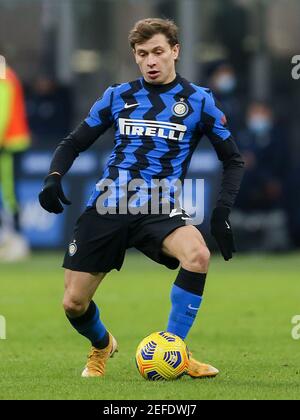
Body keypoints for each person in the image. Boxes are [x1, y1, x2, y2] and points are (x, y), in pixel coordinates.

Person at [39, 18, 244, 378]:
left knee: (197, 255)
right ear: (135, 56)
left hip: (159, 206)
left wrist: (221, 210)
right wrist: (54, 176)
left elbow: (232, 159)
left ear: (175, 52)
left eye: (158, 52)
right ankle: (102, 345)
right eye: (142, 54)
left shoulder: (199, 100)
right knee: (73, 303)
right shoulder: (118, 96)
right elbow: (74, 142)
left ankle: (175, 352)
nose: (151, 60)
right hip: (110, 203)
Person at [0, 61, 31, 261]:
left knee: (9, 192)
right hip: (9, 142)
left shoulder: (4, 76)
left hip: (8, 144)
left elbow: (2, 112)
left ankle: (14, 239)